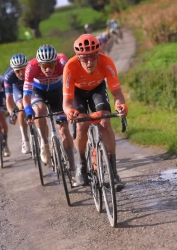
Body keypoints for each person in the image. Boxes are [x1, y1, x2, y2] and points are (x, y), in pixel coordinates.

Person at [62, 34, 128, 191]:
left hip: (97, 89)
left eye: (92, 56)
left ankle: (113, 172)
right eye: (84, 58)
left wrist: (121, 106)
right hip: (77, 92)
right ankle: (82, 164)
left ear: (98, 54)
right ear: (78, 57)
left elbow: (117, 93)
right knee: (81, 125)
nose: (89, 62)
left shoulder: (107, 62)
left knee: (105, 121)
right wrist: (70, 112)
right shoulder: (70, 67)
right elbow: (66, 102)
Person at [23, 44, 78, 186]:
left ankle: (73, 170)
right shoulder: (31, 67)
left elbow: (71, 85)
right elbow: (26, 95)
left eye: (51, 65)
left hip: (57, 92)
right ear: (39, 64)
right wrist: (28, 110)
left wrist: (72, 105)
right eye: (44, 65)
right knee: (39, 110)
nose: (48, 69)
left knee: (64, 129)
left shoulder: (62, 62)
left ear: (56, 62)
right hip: (38, 91)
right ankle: (44, 143)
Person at [4, 53, 30, 154]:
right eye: (17, 71)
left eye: (23, 70)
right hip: (18, 89)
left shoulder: (32, 70)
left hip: (30, 88)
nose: (21, 73)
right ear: (13, 70)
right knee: (22, 107)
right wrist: (11, 113)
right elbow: (9, 98)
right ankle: (25, 139)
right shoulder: (8, 76)